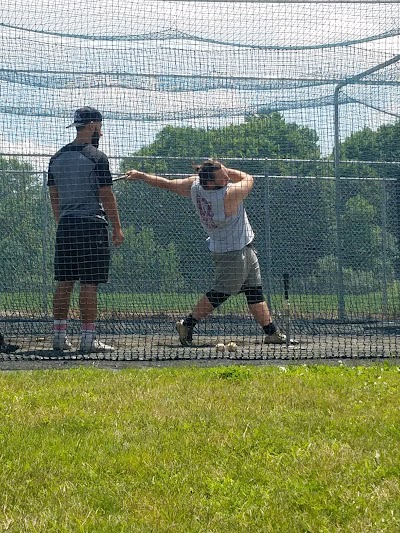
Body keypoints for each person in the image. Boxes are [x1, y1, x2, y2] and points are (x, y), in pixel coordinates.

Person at [124, 159, 293, 346]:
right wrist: (228, 170)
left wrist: (141, 176)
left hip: (243, 246)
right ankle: (187, 324)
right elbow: (249, 178)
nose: (228, 177)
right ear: (211, 183)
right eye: (223, 176)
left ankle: (271, 333)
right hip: (232, 251)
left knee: (254, 291)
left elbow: (168, 184)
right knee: (221, 292)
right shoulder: (230, 194)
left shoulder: (196, 186)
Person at [48, 106, 124, 353]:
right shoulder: (97, 158)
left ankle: (59, 338)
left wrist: (62, 221)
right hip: (92, 225)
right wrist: (117, 228)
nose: (100, 132)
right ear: (92, 125)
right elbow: (107, 195)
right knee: (89, 284)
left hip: (67, 226)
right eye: (99, 127)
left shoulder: (56, 158)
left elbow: (54, 196)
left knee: (64, 282)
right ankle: (88, 339)